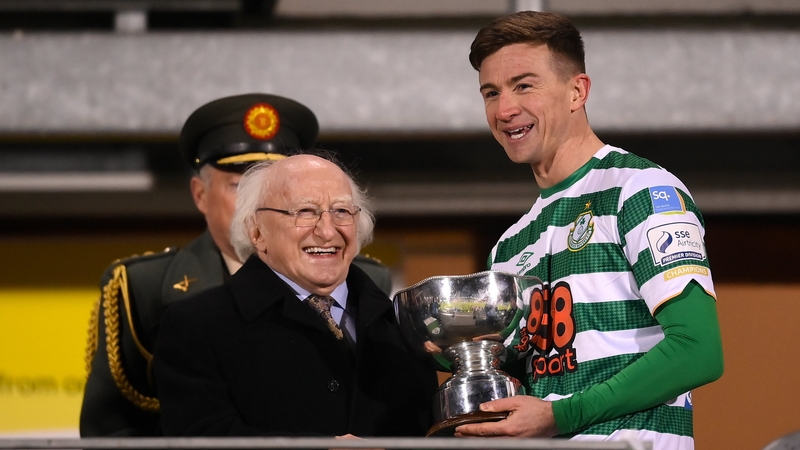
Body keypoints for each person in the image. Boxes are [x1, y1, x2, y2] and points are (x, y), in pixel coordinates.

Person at [453, 11, 724, 449]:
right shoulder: (508, 246)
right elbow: (527, 393)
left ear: (577, 91)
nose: (505, 109)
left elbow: (699, 350)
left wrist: (562, 415)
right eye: (491, 92)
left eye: (524, 85)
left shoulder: (639, 188)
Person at [80, 94, 394, 436]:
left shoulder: (366, 281)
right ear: (200, 194)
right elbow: (114, 427)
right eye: (240, 185)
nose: (324, 229)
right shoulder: (147, 286)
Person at [152, 154, 438, 436]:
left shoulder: (405, 326)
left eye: (341, 211)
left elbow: (433, 433)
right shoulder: (197, 326)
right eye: (305, 212)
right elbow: (202, 440)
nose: (327, 231)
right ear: (256, 232)